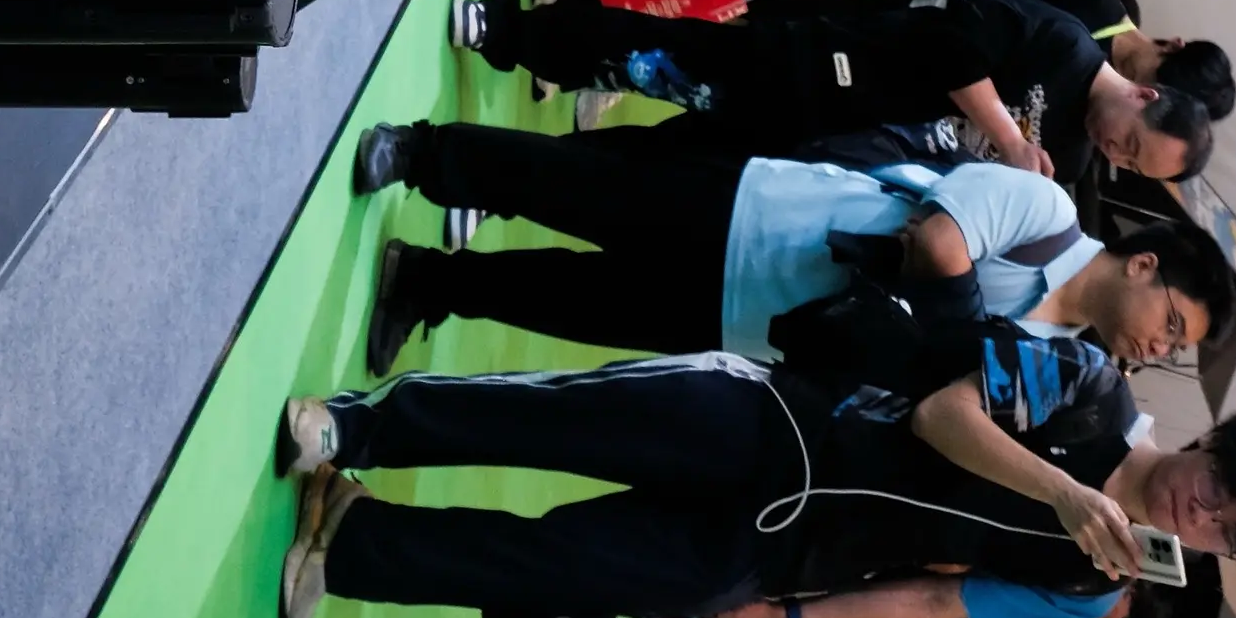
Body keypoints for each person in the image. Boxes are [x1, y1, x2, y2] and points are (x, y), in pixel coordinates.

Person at [280, 355, 1236, 618]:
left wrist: (789, 616)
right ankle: (362, 426)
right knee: (559, 424)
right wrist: (1062, 490)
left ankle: (356, 541)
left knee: (564, 570)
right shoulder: (1092, 386)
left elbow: (938, 599)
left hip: (788, 552)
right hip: (782, 421)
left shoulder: (1094, 588)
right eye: (1220, 490)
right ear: (1212, 443)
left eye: (1225, 535)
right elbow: (944, 414)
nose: (1201, 516)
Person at [349, 113, 1096, 372]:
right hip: (764, 214)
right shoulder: (1049, 210)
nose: (1150, 349)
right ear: (1147, 265)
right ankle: (420, 153)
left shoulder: (1058, 358)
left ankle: (426, 282)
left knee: (573, 304)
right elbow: (937, 240)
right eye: (1161, 330)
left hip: (766, 324)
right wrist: (955, 323)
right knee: (578, 186)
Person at [437, 0, 1202, 182]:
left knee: (656, 162)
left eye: (1131, 167)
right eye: (1133, 144)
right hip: (833, 66)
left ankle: (500, 176)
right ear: (1145, 94)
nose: (1117, 155)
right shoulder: (1063, 42)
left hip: (830, 148)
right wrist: (1006, 136)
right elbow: (951, 47)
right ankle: (509, 30)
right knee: (665, 59)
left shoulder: (1068, 158)